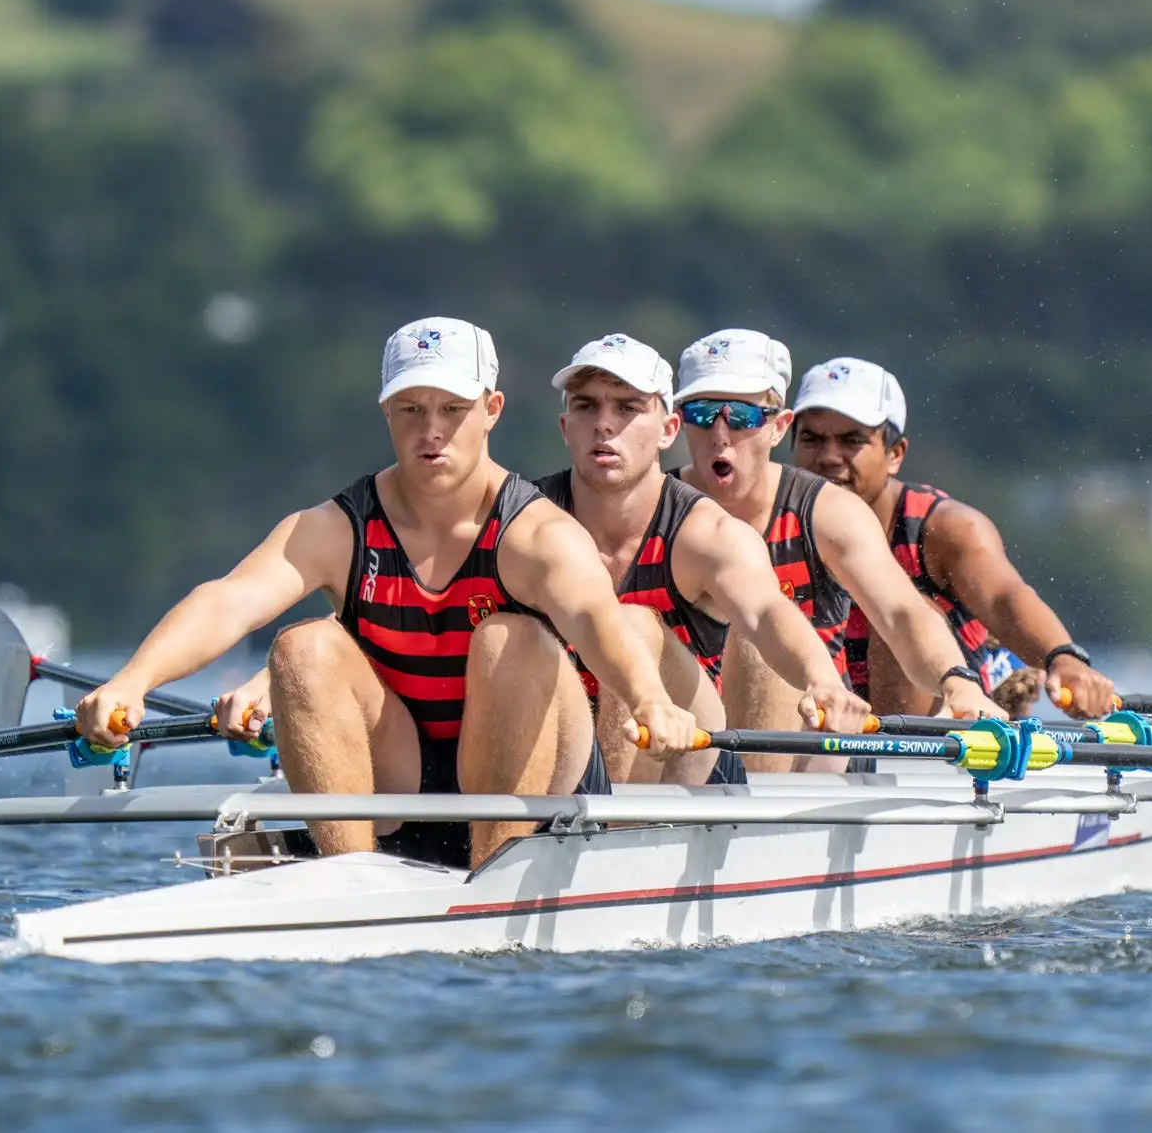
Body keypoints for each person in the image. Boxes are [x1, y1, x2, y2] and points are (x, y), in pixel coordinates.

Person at [73, 317, 697, 869]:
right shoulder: (338, 527)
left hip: (538, 784)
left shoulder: (534, 531)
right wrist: (133, 681)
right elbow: (230, 600)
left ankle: (499, 872)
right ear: (386, 413)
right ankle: (349, 876)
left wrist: (649, 700)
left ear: (492, 409)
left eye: (452, 409)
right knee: (303, 648)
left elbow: (594, 615)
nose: (432, 431)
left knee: (509, 638)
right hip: (400, 779)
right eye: (411, 409)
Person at [537, 333, 872, 784]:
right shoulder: (529, 519)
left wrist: (823, 679)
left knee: (636, 625)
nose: (604, 425)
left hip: (686, 751)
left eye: (627, 408)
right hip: (564, 747)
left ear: (667, 430)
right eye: (586, 406)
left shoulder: (706, 532)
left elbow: (766, 612)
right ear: (565, 427)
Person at [669, 329, 1007, 772]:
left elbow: (901, 614)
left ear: (778, 426)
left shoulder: (827, 512)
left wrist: (956, 680)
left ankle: (756, 825)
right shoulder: (652, 506)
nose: (719, 434)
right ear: (675, 421)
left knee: (758, 641)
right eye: (703, 411)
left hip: (812, 749)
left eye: (742, 416)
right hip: (678, 745)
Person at [790, 355, 1118, 719]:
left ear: (894, 455)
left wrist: (1064, 657)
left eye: (852, 441)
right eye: (812, 439)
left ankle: (900, 761)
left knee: (900, 610)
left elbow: (1003, 598)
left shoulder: (946, 529)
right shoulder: (765, 517)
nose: (829, 457)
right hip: (824, 724)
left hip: (946, 727)